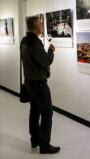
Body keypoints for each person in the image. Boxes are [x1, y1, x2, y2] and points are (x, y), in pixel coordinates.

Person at [20, 16, 60, 154]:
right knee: (47, 113)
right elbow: (45, 61)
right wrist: (51, 51)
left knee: (34, 111)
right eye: (41, 25)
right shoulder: (36, 43)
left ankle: (35, 140)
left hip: (29, 83)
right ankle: (45, 145)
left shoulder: (24, 41)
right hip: (39, 84)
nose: (42, 27)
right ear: (36, 27)